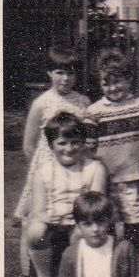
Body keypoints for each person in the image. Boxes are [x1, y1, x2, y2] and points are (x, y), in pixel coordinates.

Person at [26, 112, 107, 277]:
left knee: (79, 234)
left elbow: (96, 206)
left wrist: (77, 222)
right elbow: (38, 211)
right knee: (36, 231)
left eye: (75, 142)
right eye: (62, 143)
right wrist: (50, 218)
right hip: (53, 223)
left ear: (83, 142)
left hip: (83, 222)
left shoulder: (94, 168)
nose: (69, 149)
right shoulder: (43, 172)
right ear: (51, 145)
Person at [14, 47, 91, 244]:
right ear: (49, 73)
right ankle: (30, 268)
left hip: (73, 161)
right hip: (48, 165)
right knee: (38, 216)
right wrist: (43, 169)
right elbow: (29, 144)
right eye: (60, 73)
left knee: (70, 210)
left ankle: (69, 256)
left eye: (70, 73)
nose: (65, 79)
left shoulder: (83, 101)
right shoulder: (42, 103)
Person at [83, 48, 139, 246]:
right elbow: (89, 149)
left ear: (129, 79)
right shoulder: (94, 112)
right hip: (105, 180)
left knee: (135, 226)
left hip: (133, 178)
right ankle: (112, 265)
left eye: (118, 82)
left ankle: (135, 266)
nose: (113, 88)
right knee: (108, 225)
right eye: (107, 84)